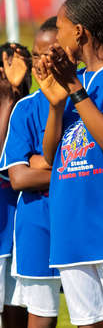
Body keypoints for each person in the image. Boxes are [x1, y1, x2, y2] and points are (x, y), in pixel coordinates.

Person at [34, 0, 103, 328]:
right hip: (69, 226)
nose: (57, 36)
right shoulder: (68, 81)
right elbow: (51, 157)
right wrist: (55, 103)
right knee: (90, 324)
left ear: (79, 32)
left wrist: (74, 88)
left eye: (62, 28)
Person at [0, 18, 62, 328]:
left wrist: (41, 162)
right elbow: (19, 177)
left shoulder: (86, 104)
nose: (39, 63)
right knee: (32, 310)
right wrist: (80, 171)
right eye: (35, 56)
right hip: (31, 224)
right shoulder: (23, 109)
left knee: (94, 311)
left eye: (46, 54)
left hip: (83, 222)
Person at [0, 43, 31, 328]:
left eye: (26, 69)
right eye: (10, 68)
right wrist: (8, 100)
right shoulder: (11, 107)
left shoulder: (34, 109)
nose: (19, 76)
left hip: (22, 236)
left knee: (19, 313)